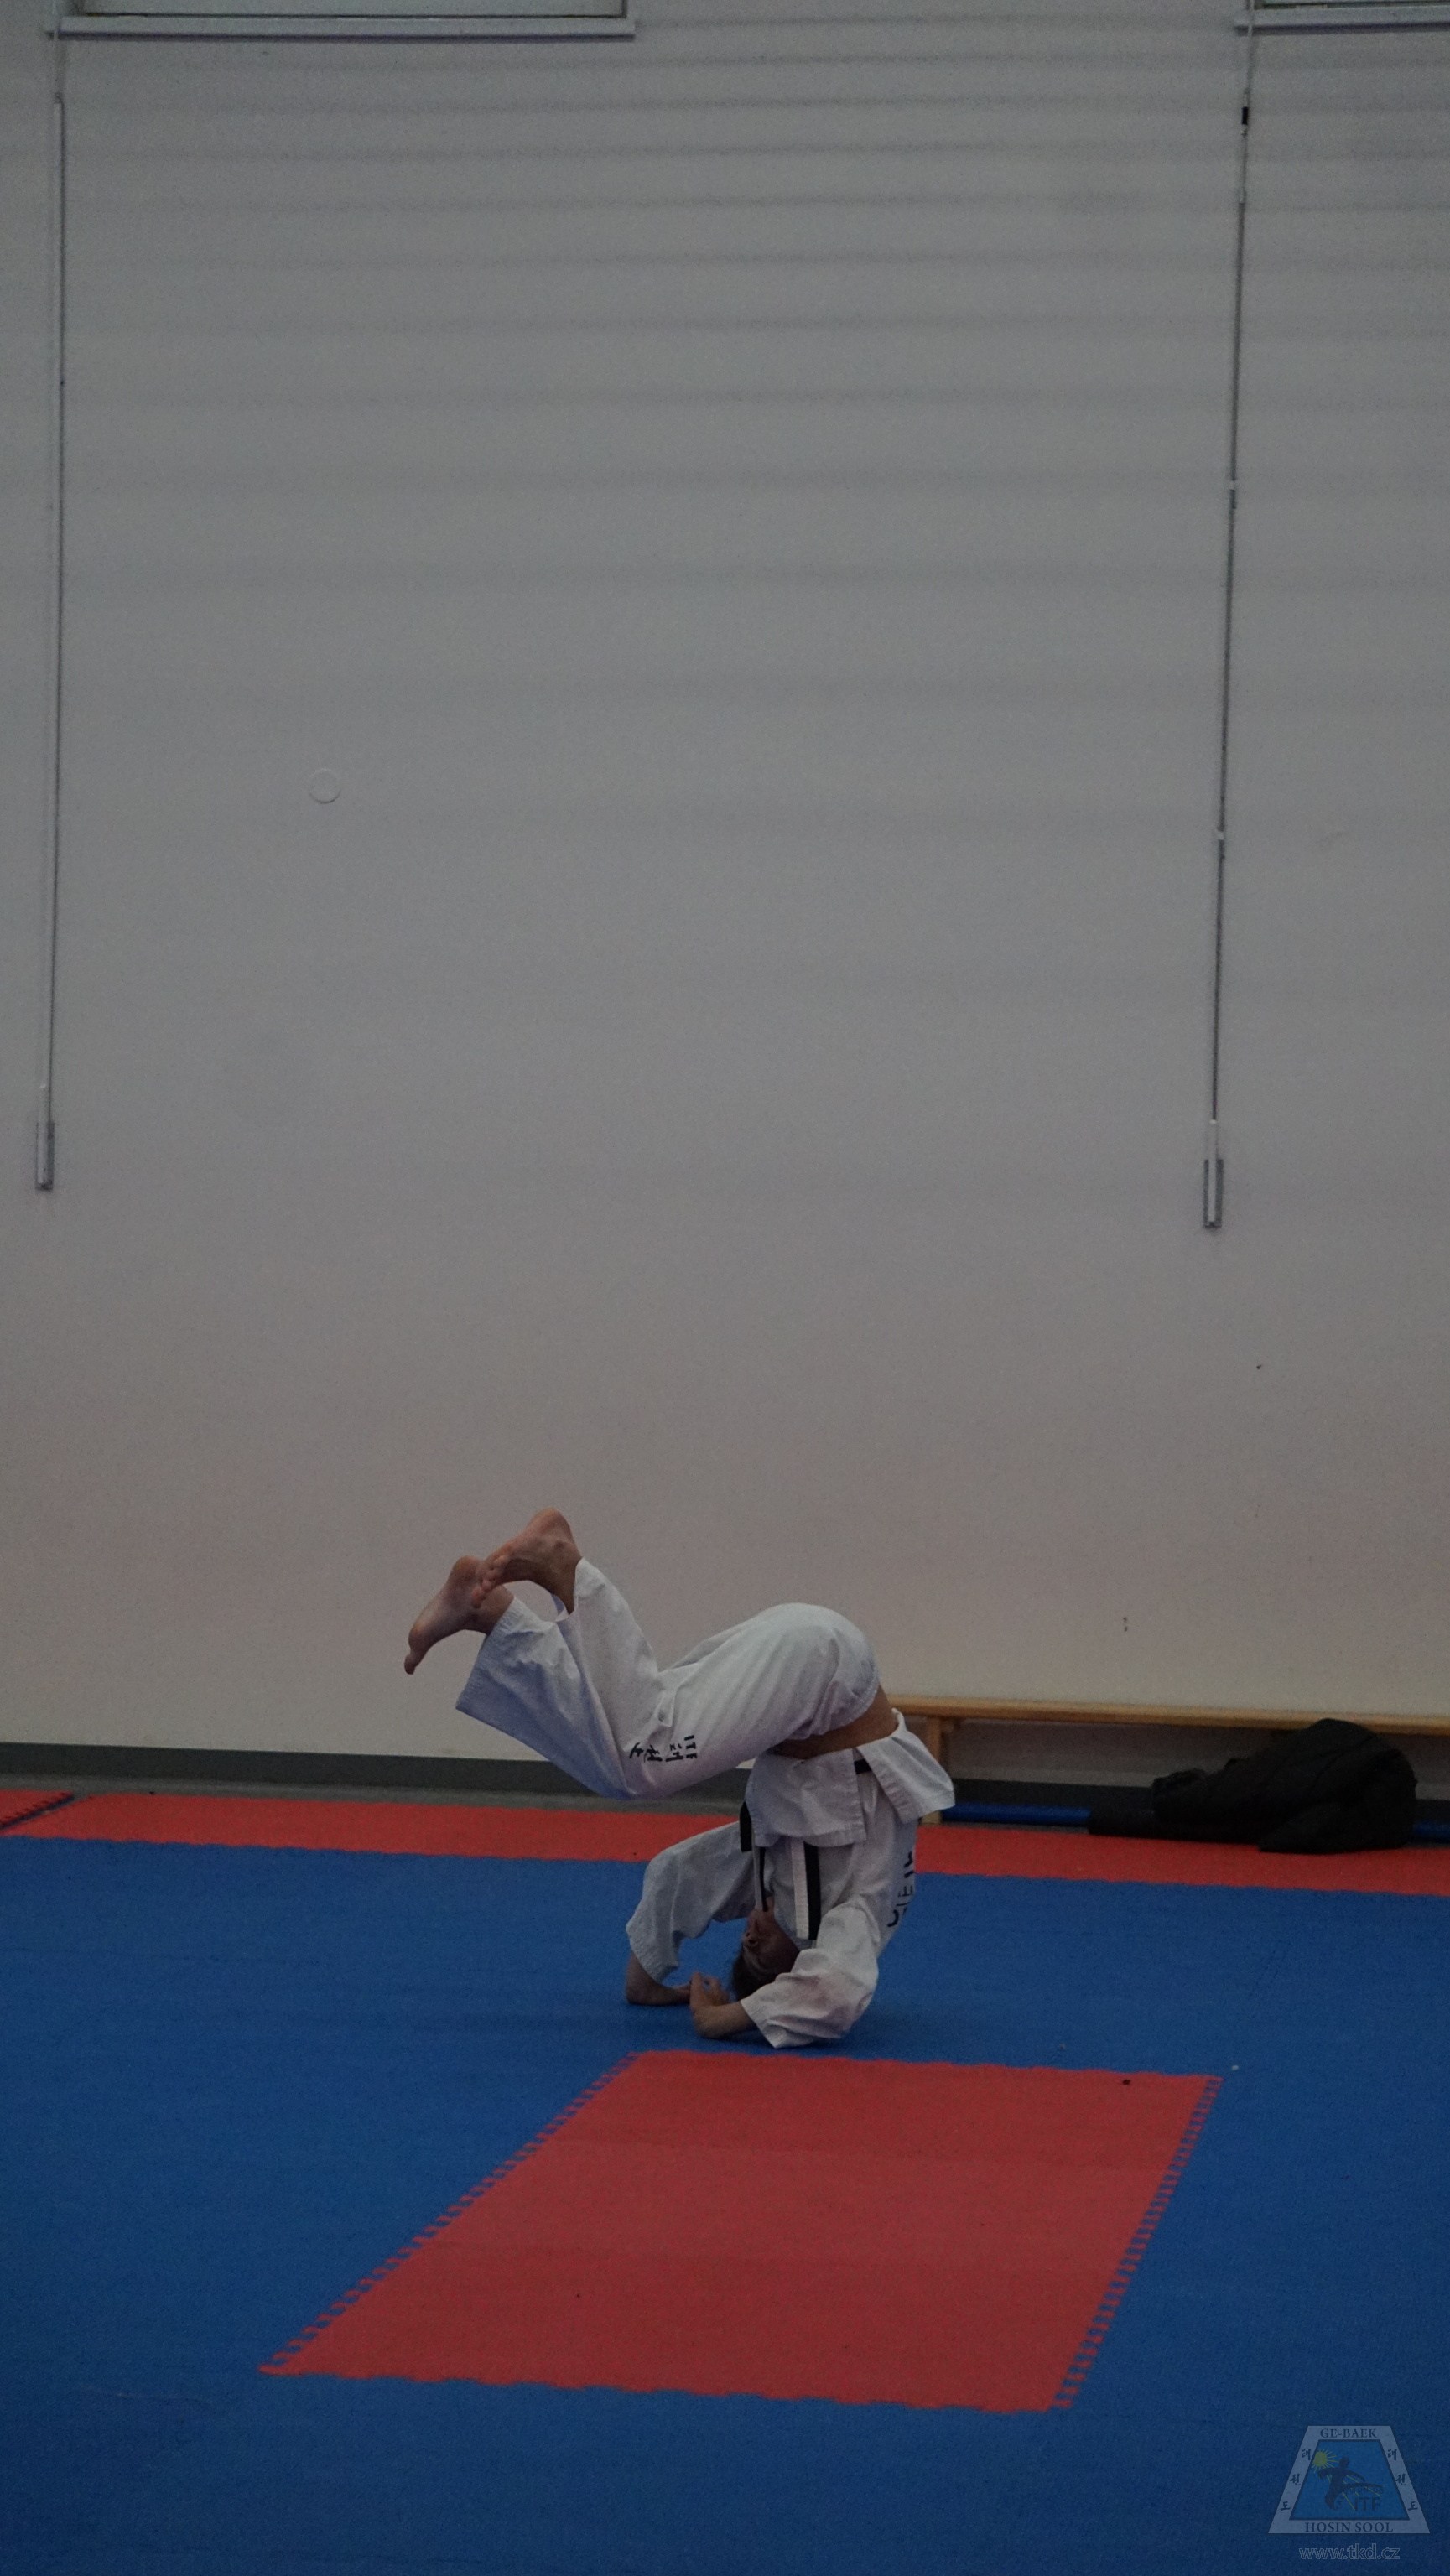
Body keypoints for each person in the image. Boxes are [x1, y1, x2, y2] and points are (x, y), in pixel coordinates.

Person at [405, 1509, 954, 2049]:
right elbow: (835, 1994)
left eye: (744, 1945)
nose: (752, 1935)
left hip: (806, 1665)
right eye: (763, 1955)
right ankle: (564, 1564)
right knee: (644, 1761)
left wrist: (646, 1978)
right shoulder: (854, 1917)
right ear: (795, 1970)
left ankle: (494, 1615)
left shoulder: (773, 1883)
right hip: (824, 1679)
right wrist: (721, 2020)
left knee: (618, 1755)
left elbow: (678, 1874)